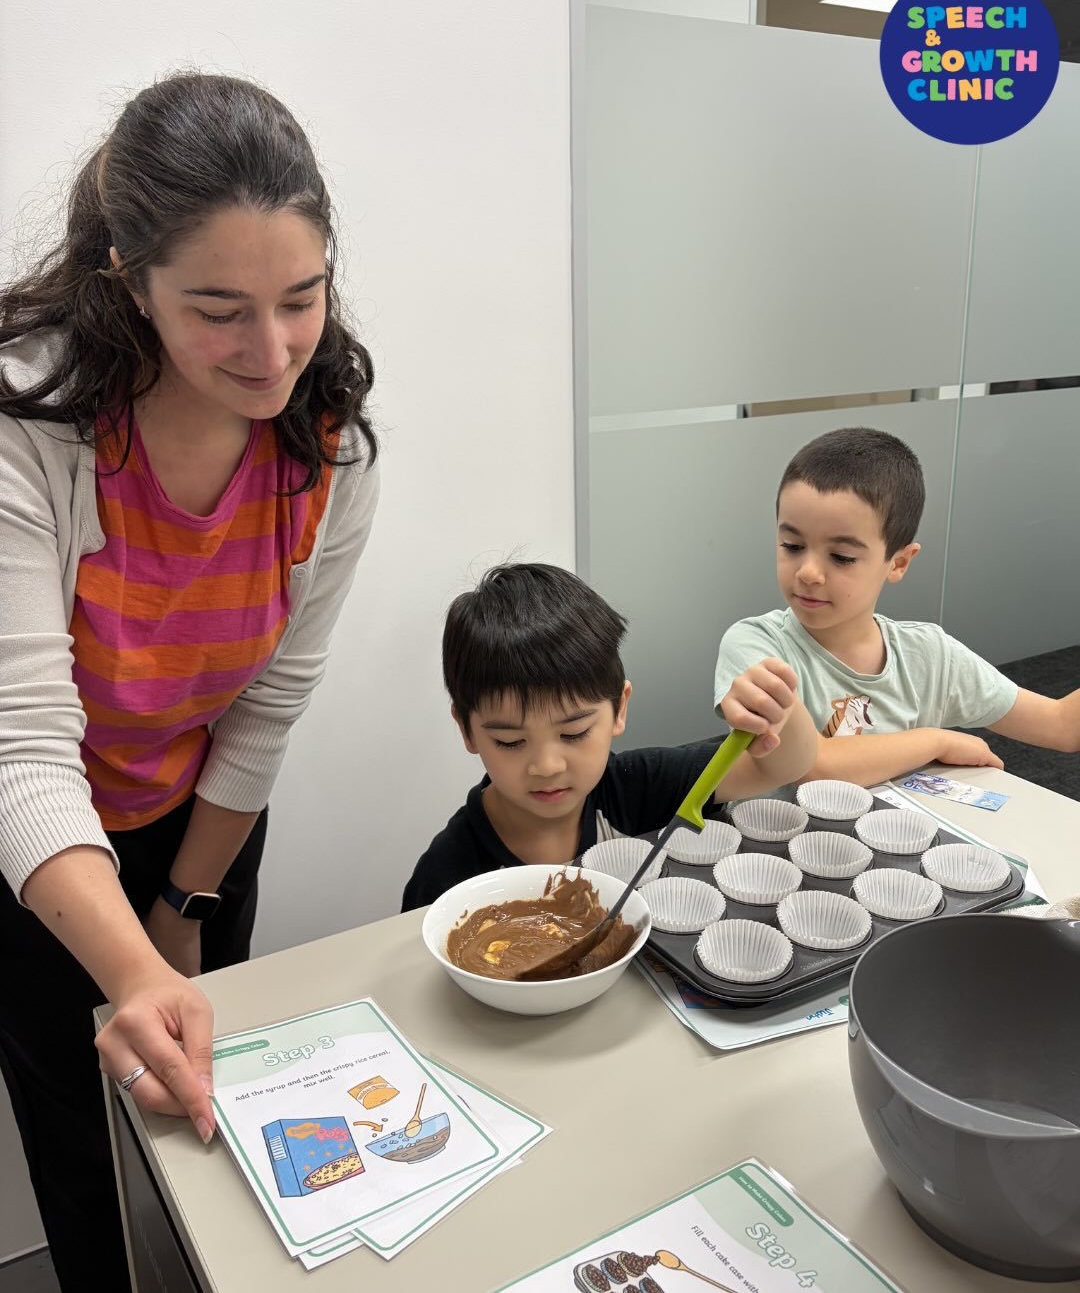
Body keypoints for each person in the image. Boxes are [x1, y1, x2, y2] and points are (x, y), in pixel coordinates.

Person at [0, 73, 380, 1292]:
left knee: (207, 1115)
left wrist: (187, 913)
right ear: (129, 280)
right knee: (83, 1126)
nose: (271, 351)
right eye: (219, 310)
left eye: (300, 299)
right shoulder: (31, 423)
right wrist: (130, 963)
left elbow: (268, 704)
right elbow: (21, 752)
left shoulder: (328, 439)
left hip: (199, 821)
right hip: (35, 846)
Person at [402, 563, 817, 908]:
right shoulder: (446, 874)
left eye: (575, 732)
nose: (547, 766)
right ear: (466, 729)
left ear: (620, 708)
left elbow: (786, 766)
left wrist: (780, 707)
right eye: (510, 741)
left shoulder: (636, 787)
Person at [713, 427, 1079, 787]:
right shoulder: (758, 646)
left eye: (841, 557)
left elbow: (1061, 724)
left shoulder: (930, 656)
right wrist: (936, 740)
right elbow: (808, 767)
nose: (808, 572)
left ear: (899, 562)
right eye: (791, 545)